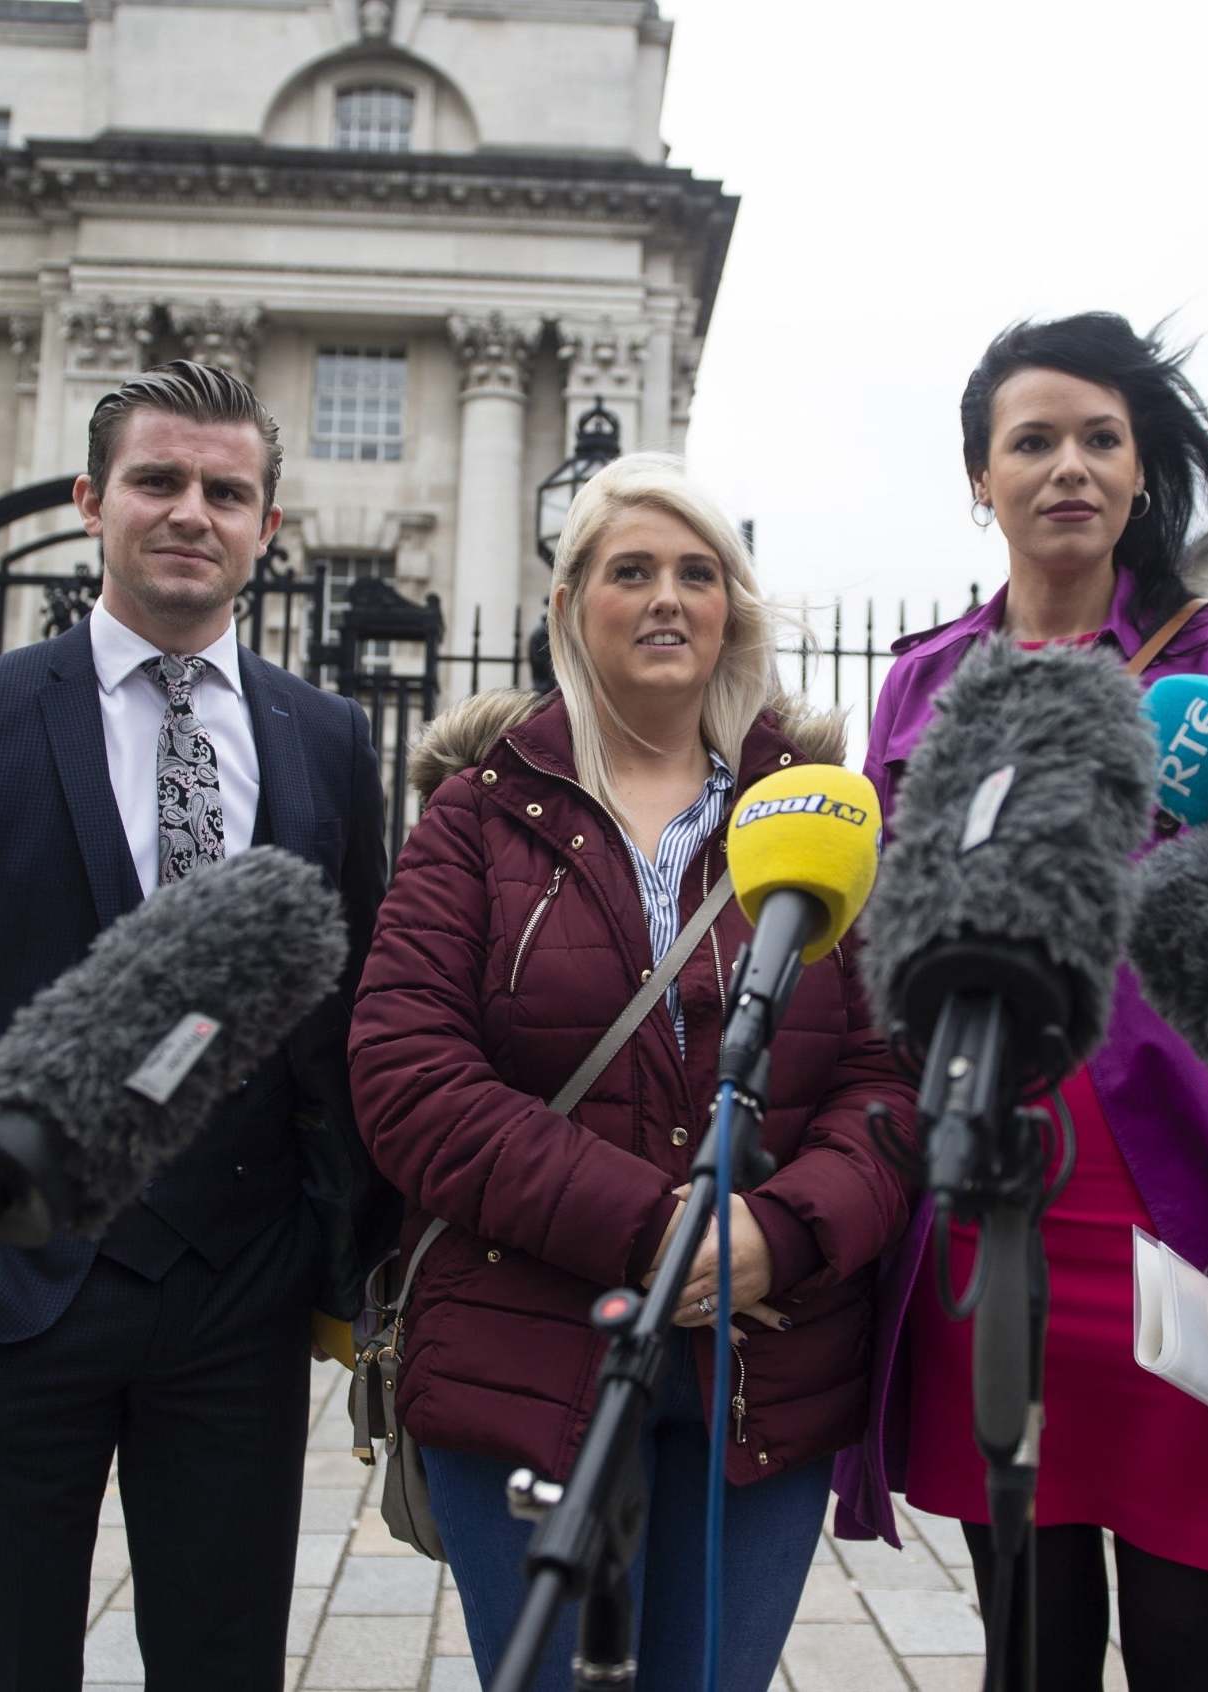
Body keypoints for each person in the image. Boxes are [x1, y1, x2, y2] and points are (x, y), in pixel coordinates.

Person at [830, 313, 1208, 1692]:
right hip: (985, 1212)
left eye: (1100, 438)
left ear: (1140, 469)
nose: (1069, 466)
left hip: (1189, 1230)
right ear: (979, 479)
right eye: (1032, 441)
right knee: (1027, 1651)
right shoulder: (922, 681)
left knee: (1188, 1650)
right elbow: (881, 960)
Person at [0, 359, 393, 1690]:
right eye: (158, 480)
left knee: (223, 1663)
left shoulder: (325, 738)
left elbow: (353, 1009)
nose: (191, 511)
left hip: (239, 1299)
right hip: (18, 1293)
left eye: (225, 492)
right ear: (91, 500)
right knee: (4, 1660)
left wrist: (334, 1245)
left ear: (266, 527)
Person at [349, 453, 918, 1690]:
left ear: (730, 609)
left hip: (763, 1371)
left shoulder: (818, 816)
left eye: (697, 573)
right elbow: (407, 1075)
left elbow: (886, 1078)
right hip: (523, 1352)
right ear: (570, 606)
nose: (667, 597)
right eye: (632, 571)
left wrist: (782, 1230)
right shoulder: (475, 819)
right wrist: (652, 1228)